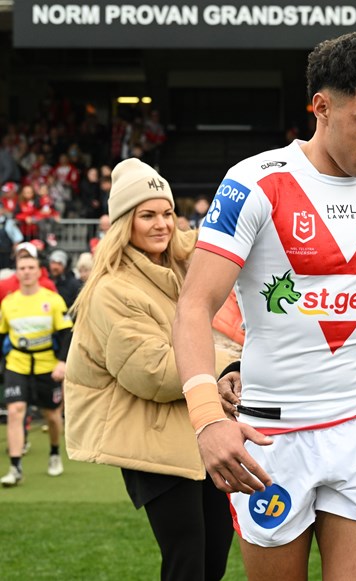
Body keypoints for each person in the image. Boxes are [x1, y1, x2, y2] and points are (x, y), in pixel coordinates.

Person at [172, 32, 356, 581]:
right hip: (272, 437)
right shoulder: (254, 182)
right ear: (321, 107)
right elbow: (193, 306)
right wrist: (206, 420)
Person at [63, 158, 237, 580]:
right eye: (147, 215)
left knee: (214, 553)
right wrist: (229, 363)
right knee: (188, 559)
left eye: (167, 213)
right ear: (125, 222)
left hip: (195, 430)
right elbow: (153, 372)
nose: (161, 224)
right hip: (152, 441)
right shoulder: (111, 289)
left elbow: (227, 238)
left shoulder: (177, 264)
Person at [0, 247, 73, 487]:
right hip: (17, 364)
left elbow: (66, 333)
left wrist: (62, 363)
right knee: (15, 411)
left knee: (51, 415)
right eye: (22, 268)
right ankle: (15, 467)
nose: (27, 272)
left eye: (31, 267)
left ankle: (54, 453)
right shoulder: (8, 303)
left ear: (38, 271)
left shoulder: (51, 300)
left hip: (47, 366)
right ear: (17, 273)